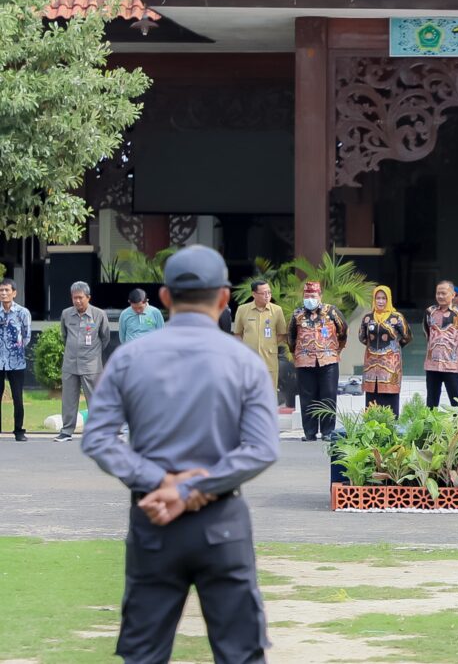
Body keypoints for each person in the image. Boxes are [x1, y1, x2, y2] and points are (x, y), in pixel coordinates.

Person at [81, 245, 279, 664]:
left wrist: (162, 483)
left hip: (153, 519)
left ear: (165, 297)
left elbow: (98, 438)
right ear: (224, 298)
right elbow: (261, 449)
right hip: (221, 521)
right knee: (241, 654)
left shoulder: (129, 358)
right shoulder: (245, 363)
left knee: (144, 655)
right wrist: (191, 488)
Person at [288, 281, 348, 442]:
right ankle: (310, 432)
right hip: (304, 361)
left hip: (328, 360)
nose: (310, 299)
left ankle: (328, 431)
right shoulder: (297, 314)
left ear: (320, 296)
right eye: (307, 296)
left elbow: (343, 331)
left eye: (313, 295)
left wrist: (337, 350)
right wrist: (296, 353)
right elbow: (291, 337)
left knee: (328, 395)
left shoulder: (331, 311)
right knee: (307, 397)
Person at [55, 282, 111, 443]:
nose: (77, 301)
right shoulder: (66, 314)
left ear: (88, 297)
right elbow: (64, 336)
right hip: (70, 364)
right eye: (74, 298)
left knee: (94, 399)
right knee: (68, 399)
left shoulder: (99, 314)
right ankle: (66, 431)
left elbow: (105, 338)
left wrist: (92, 352)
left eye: (80, 298)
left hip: (91, 365)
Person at [359, 285, 411, 416]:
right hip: (371, 364)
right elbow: (362, 337)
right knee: (372, 398)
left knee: (390, 398)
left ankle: (391, 426)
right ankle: (371, 426)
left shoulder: (397, 318)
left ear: (389, 300)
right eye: (378, 298)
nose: (381, 301)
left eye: (384, 298)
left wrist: (394, 348)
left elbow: (407, 336)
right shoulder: (367, 318)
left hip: (391, 364)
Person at [423, 280, 458, 408]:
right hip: (432, 364)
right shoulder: (429, 311)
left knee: (456, 402)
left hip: (453, 365)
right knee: (431, 402)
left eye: (443, 293)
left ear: (453, 295)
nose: (440, 296)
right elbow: (427, 332)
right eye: (438, 293)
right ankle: (431, 422)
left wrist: (456, 349)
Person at [234, 280, 288, 396]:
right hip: (249, 359)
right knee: (249, 392)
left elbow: (282, 334)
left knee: (270, 392)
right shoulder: (242, 310)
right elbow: (238, 334)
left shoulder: (277, 310)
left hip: (269, 358)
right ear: (254, 294)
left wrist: (270, 344)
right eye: (263, 293)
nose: (267, 296)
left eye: (269, 292)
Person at [0, 278, 31, 442]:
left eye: (7, 290)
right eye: (1, 290)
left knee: (17, 398)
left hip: (16, 362)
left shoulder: (22, 312)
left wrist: (15, 349)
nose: (4, 293)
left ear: (14, 293)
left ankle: (19, 431)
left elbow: (27, 336)